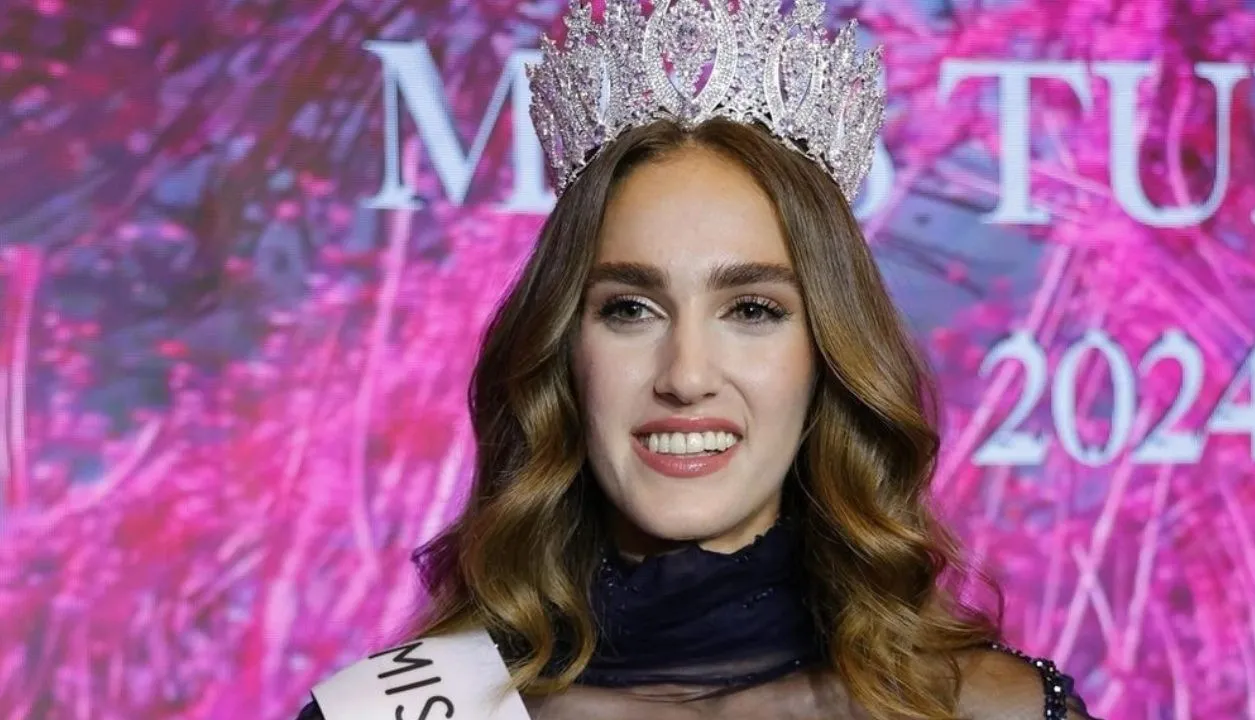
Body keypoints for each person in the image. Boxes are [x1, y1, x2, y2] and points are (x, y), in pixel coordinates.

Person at [297, 1, 1099, 718]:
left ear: (827, 357)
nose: (685, 376)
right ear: (564, 353)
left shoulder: (994, 711)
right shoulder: (396, 712)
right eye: (629, 309)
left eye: (752, 310)